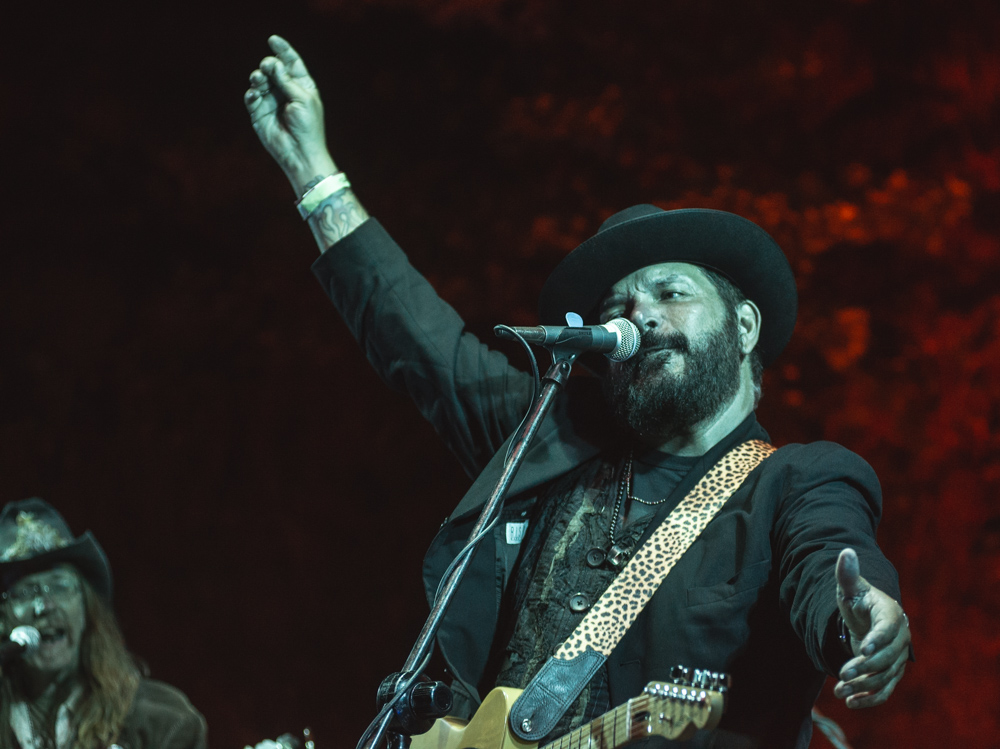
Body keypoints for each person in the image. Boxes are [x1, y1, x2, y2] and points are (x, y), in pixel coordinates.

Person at [243, 36, 912, 748]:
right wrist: (313, 173)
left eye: (670, 292)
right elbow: (417, 338)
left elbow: (830, 560)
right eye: (618, 304)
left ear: (744, 325)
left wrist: (864, 618)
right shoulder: (551, 436)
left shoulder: (797, 480)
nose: (638, 314)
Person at [0, 498, 207, 749]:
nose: (45, 606)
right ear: (3, 617)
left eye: (60, 586)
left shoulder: (162, 722)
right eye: (25, 592)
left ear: (87, 608)